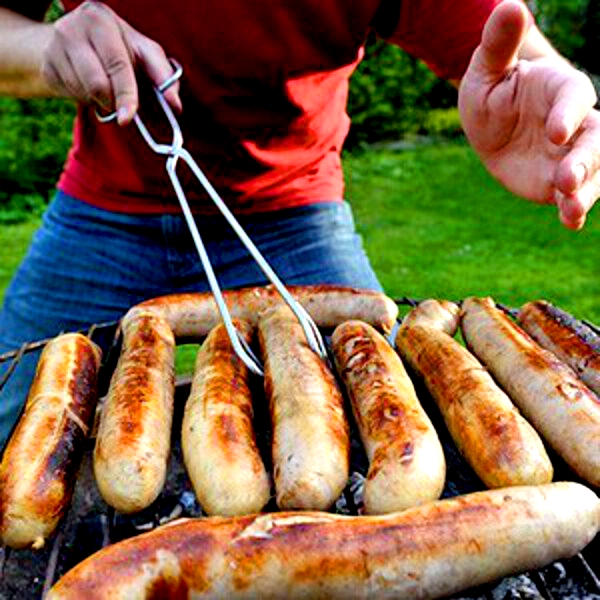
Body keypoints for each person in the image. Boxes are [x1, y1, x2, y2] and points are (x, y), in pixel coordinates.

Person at [0, 0, 598, 447]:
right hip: (99, 215)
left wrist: (551, 109)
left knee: (397, 424)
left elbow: (506, 47)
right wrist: (49, 51)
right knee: (9, 417)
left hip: (294, 215)